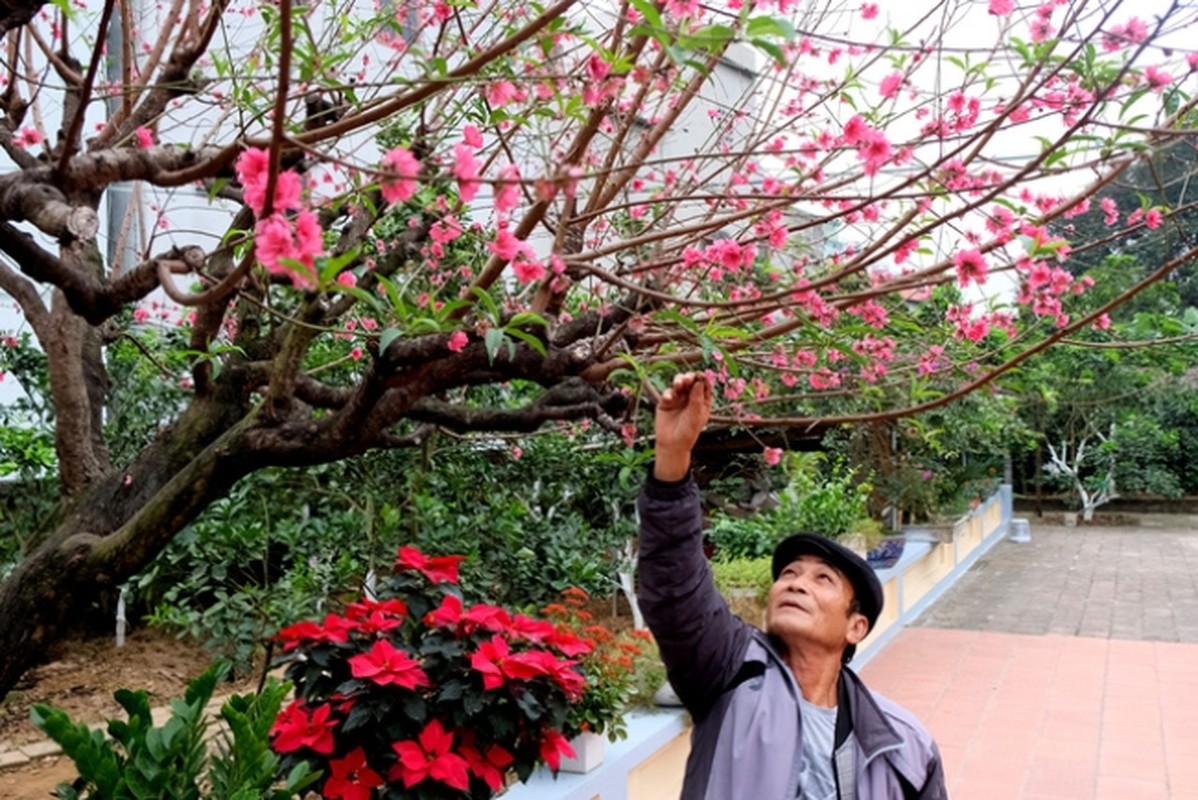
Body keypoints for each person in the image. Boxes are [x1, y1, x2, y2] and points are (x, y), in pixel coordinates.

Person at [637, 372, 947, 799]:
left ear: (855, 627)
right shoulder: (728, 669)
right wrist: (672, 458)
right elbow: (674, 584)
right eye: (788, 573)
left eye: (822, 579)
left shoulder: (906, 748)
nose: (796, 584)